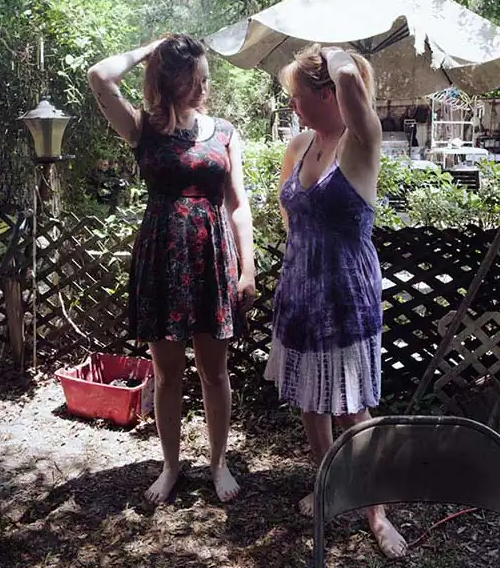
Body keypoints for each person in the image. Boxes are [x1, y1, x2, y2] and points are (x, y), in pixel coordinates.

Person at [87, 34, 256, 504]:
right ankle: (171, 466)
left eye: (205, 79)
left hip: (212, 258)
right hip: (163, 260)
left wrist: (247, 268)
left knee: (214, 372)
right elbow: (99, 76)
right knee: (166, 374)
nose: (203, 88)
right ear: (169, 80)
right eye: (194, 79)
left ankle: (218, 462)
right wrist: (152, 48)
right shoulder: (143, 128)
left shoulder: (224, 132)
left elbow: (238, 204)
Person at [263, 44, 408, 559]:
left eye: (298, 95)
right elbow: (290, 210)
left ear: (329, 93)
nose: (293, 105)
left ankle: (376, 512)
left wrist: (335, 52)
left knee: (353, 408)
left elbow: (351, 83)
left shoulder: (362, 139)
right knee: (310, 399)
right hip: (301, 290)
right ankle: (329, 485)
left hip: (345, 295)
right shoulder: (300, 143)